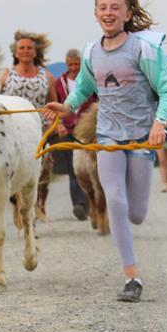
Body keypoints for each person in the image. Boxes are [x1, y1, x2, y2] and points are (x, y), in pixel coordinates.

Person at [45, 0, 167, 303]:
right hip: (108, 136)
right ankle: (132, 277)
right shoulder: (91, 52)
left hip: (141, 137)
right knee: (114, 199)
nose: (108, 12)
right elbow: (85, 86)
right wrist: (67, 106)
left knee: (137, 213)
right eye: (103, 7)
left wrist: (159, 124)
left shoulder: (144, 49)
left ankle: (127, 216)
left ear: (128, 14)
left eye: (115, 7)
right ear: (95, 13)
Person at [0, 30, 57, 220]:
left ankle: (38, 205)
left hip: (38, 130)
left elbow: (53, 104)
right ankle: (20, 207)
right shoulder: (6, 75)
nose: (25, 51)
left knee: (44, 168)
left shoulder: (47, 77)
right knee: (11, 169)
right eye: (21, 48)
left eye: (29, 48)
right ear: (15, 52)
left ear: (35, 52)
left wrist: (55, 123)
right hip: (11, 131)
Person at [54, 48, 93, 221]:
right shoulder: (59, 82)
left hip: (86, 128)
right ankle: (79, 204)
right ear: (66, 64)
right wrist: (60, 123)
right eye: (71, 64)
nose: (74, 67)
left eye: (77, 64)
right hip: (69, 129)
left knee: (90, 167)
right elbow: (56, 104)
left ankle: (92, 202)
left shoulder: (89, 79)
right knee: (74, 168)